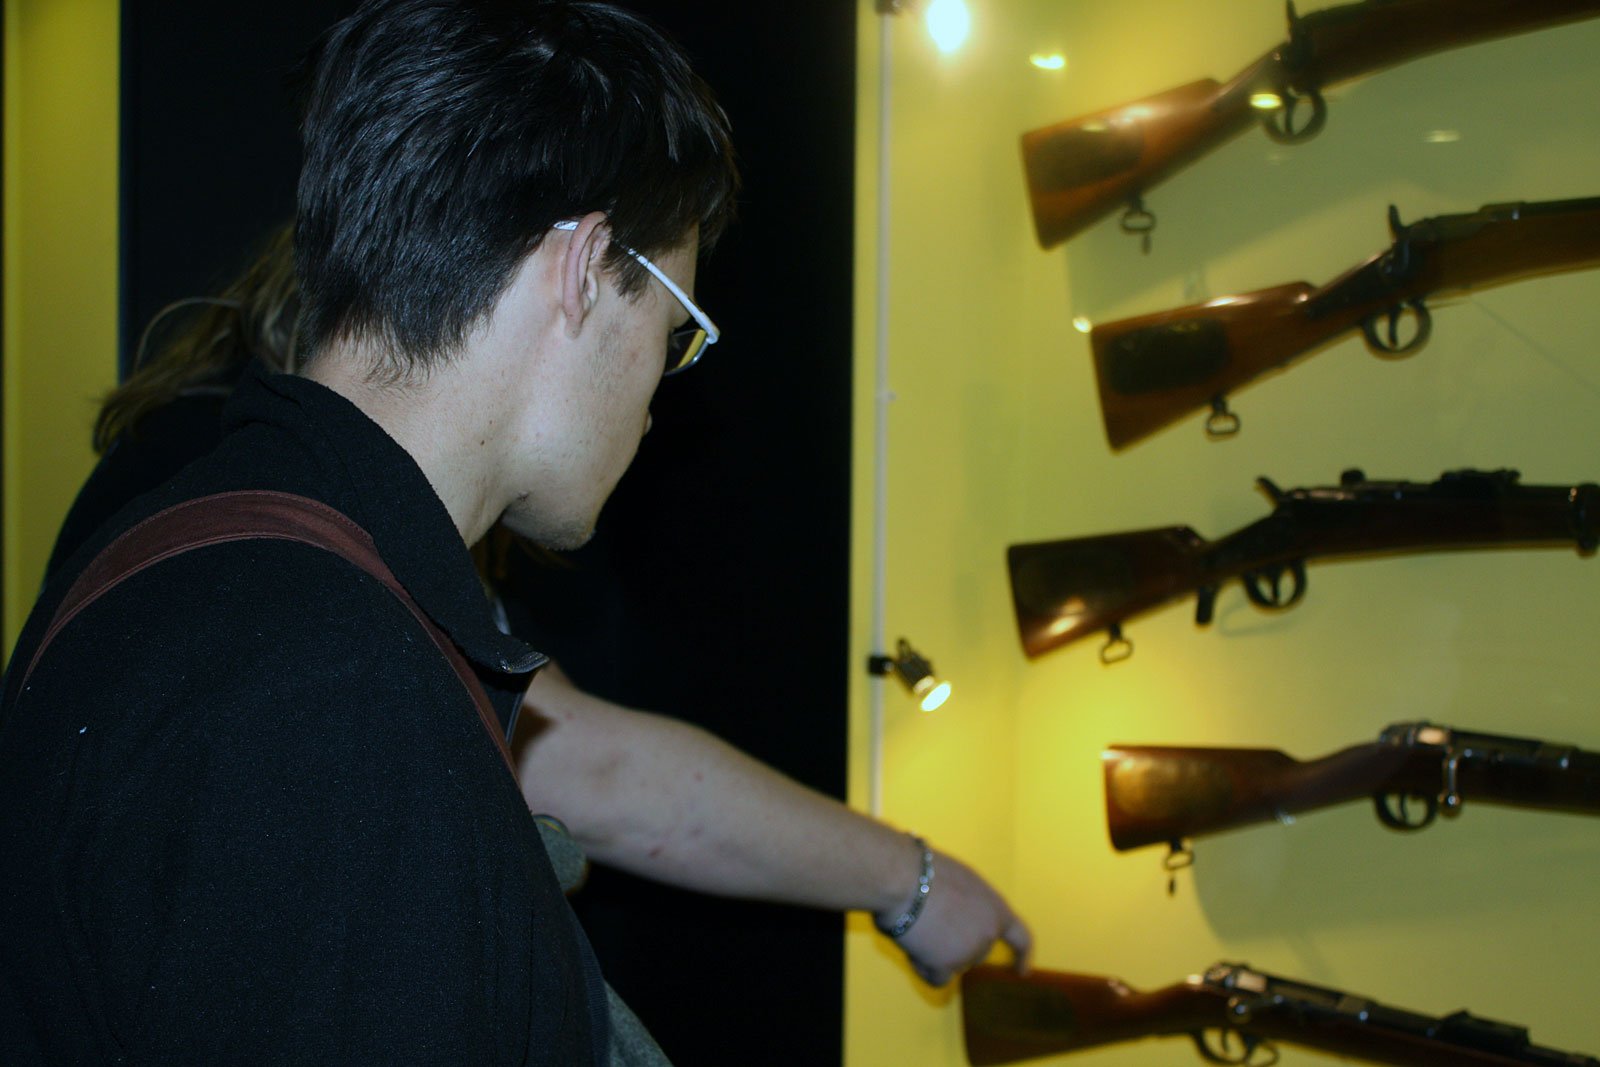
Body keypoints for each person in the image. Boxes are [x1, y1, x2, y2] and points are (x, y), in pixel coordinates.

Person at [1, 2, 1024, 1063]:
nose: (656, 397)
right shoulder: (336, 685)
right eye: (676, 332)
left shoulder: (214, 553)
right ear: (583, 267)